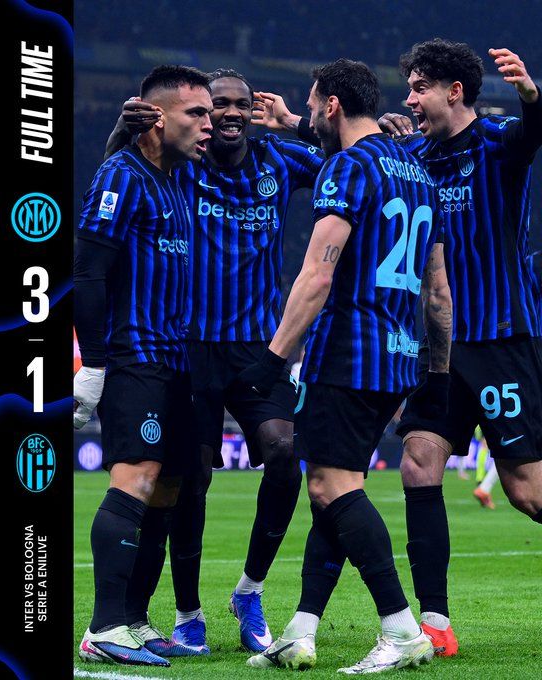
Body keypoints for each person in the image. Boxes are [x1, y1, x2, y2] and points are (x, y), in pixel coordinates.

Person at [254, 40, 542, 658]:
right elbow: (350, 155)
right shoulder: (414, 156)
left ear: (454, 92)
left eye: (418, 88)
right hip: (439, 346)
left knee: (527, 491)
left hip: (501, 338)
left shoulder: (500, 142)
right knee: (417, 463)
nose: (408, 100)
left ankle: (396, 624)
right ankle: (433, 620)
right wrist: (296, 124)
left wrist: (532, 95)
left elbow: (534, 130)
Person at [239, 57, 451, 674]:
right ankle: (300, 630)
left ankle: (400, 628)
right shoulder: (417, 172)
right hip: (399, 357)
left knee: (333, 488)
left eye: (311, 107)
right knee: (333, 490)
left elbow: (316, 274)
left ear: (332, 104)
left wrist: (273, 360)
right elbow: (438, 293)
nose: (307, 117)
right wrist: (437, 374)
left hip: (347, 355)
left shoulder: (347, 167)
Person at [105, 69, 325, 654]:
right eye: (216, 104)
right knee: (190, 477)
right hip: (190, 347)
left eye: (239, 104)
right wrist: (122, 129)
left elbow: (350, 161)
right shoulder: (185, 160)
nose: (228, 113)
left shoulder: (280, 160)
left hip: (260, 349)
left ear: (253, 111)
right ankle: (187, 613)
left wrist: (298, 124)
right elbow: (127, 168)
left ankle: (249, 589)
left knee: (285, 453)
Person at [74, 65, 212, 666]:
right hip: (134, 357)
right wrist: (94, 365)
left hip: (175, 362)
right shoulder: (121, 175)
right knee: (135, 479)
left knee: (167, 490)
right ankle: (103, 628)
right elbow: (87, 273)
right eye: (196, 114)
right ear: (155, 117)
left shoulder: (177, 179)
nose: (208, 125)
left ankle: (133, 618)